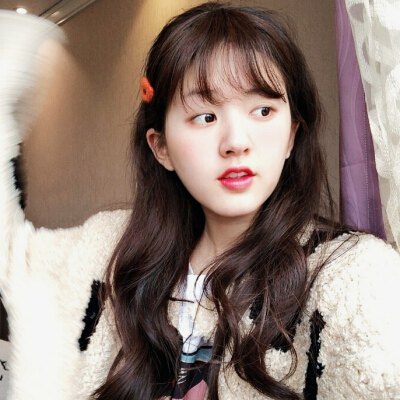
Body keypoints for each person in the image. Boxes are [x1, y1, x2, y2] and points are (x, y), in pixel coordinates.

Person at [1, 3, 400, 400]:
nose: (236, 142)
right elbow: (12, 255)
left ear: (291, 136)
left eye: (263, 110)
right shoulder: (111, 249)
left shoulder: (351, 278)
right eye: (206, 117)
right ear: (161, 147)